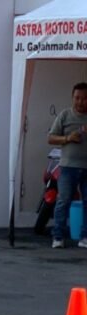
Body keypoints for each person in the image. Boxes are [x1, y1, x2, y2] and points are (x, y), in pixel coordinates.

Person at [48, 82, 87, 249]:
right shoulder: (64, 115)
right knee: (63, 201)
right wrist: (68, 138)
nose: (80, 102)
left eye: (84, 99)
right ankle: (58, 236)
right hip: (67, 166)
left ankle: (84, 237)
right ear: (72, 98)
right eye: (77, 98)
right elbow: (50, 138)